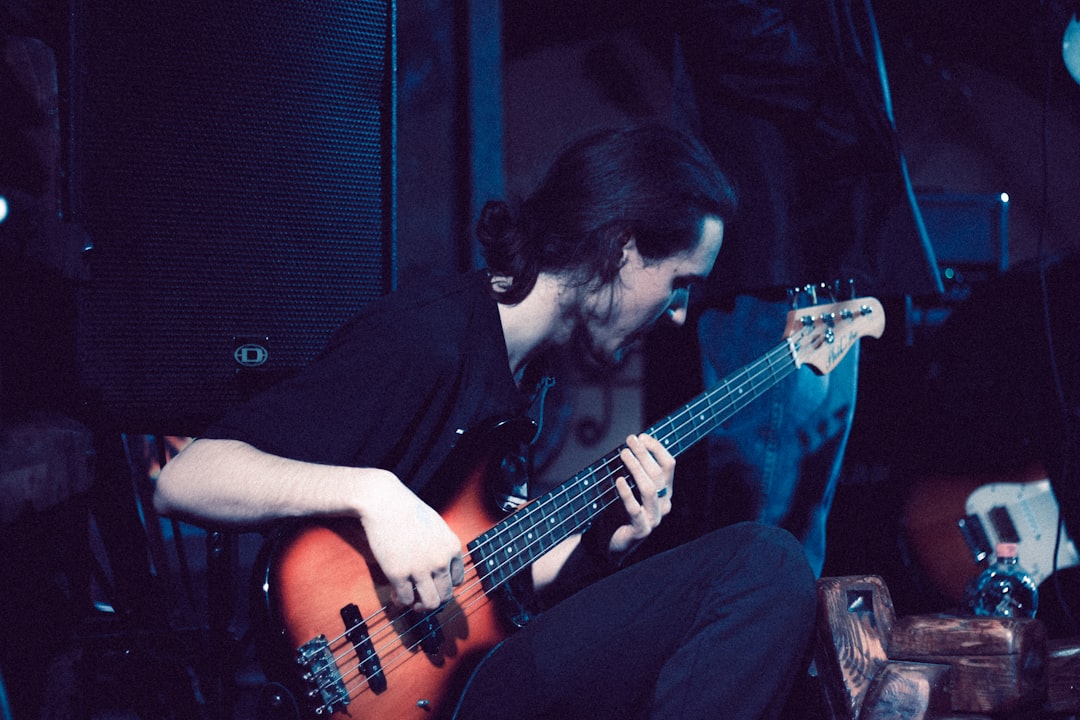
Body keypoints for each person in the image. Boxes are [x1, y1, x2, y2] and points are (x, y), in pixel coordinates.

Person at [154, 124, 817, 720]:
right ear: (621, 250)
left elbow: (484, 576)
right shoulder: (430, 336)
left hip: (463, 676)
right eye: (680, 283)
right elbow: (187, 478)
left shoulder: (532, 374)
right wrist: (374, 495)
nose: (678, 314)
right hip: (370, 681)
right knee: (764, 563)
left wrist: (602, 546)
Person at [649, 0, 943, 576]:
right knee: (759, 520)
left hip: (824, 244)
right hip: (774, 245)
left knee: (800, 521)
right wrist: (845, 98)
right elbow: (738, 29)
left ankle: (782, 632)